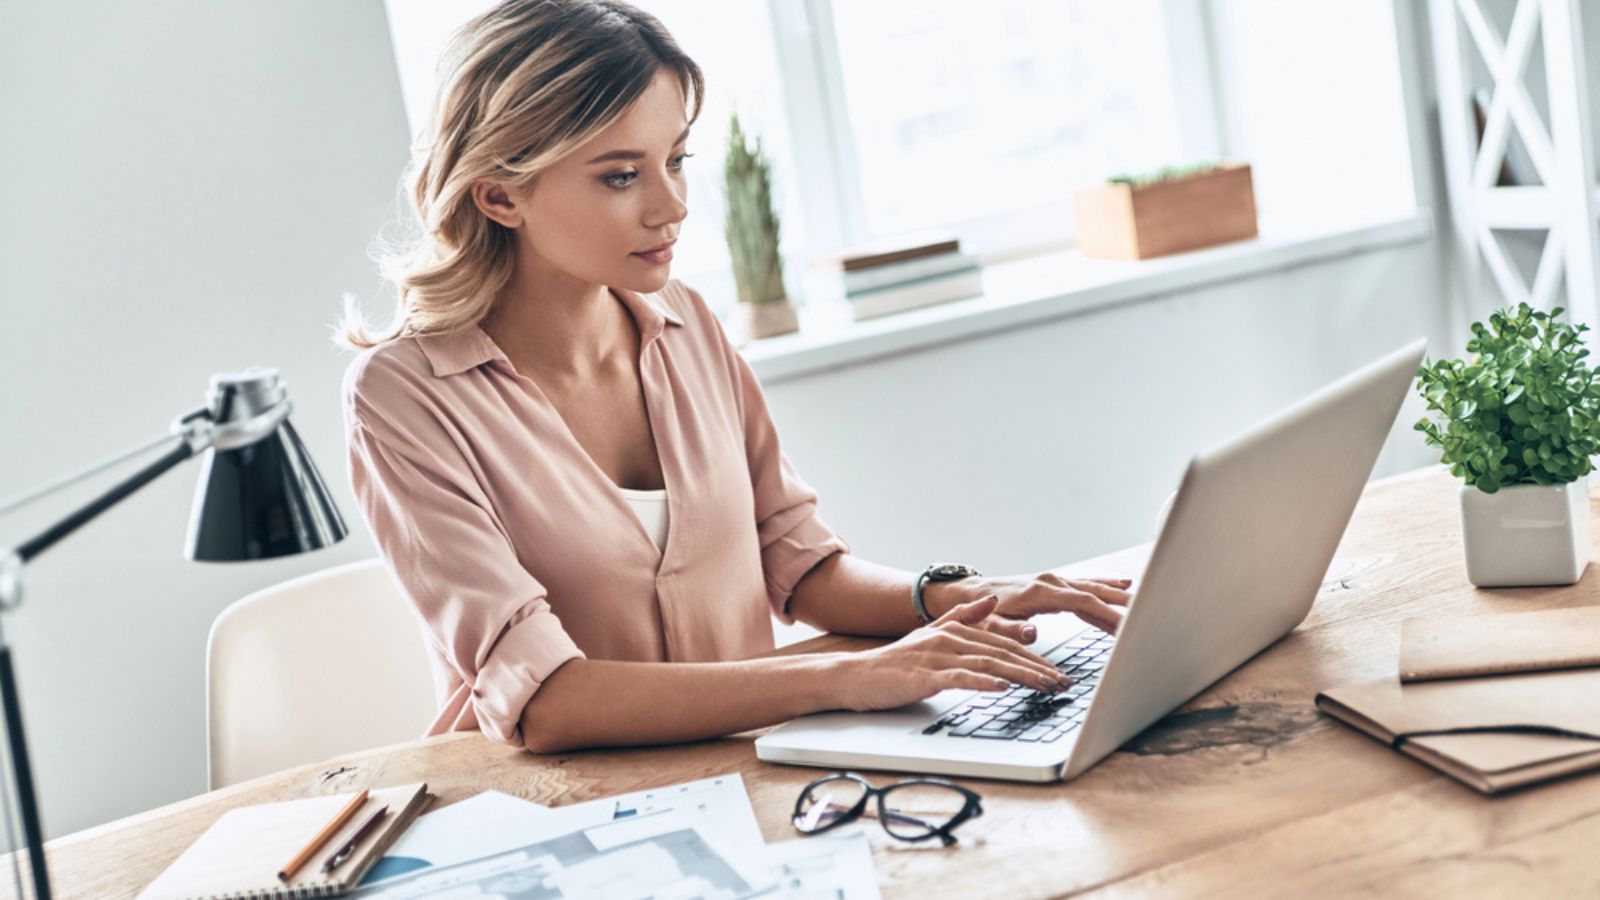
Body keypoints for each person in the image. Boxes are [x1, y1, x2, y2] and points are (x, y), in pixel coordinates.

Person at [338, 0, 1131, 755]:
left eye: (676, 160)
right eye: (621, 176)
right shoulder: (403, 396)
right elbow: (546, 702)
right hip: (544, 814)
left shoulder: (685, 322)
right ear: (500, 194)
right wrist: (846, 679)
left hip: (747, 771)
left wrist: (951, 596)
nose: (672, 205)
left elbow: (798, 562)